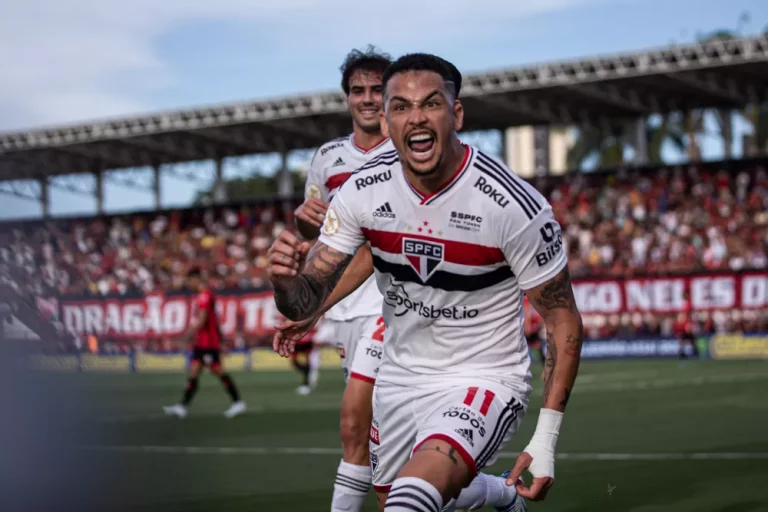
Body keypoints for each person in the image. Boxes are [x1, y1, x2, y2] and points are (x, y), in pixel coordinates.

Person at [268, 53, 583, 512]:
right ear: (386, 121)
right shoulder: (362, 191)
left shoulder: (511, 205)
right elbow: (303, 299)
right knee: (397, 496)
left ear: (456, 114)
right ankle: (501, 495)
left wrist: (546, 438)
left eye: (430, 104)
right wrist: (284, 284)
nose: (415, 117)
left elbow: (561, 318)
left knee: (410, 500)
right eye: (400, 107)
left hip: (483, 377)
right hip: (399, 376)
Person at [290, 45, 394, 512]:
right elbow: (317, 233)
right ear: (347, 97)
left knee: (356, 427)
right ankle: (498, 492)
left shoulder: (405, 149)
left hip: (392, 303)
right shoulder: (328, 157)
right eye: (358, 90)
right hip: (344, 307)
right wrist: (302, 224)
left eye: (376, 89)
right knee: (378, 447)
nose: (367, 98)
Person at [163, 268, 246, 419]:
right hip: (202, 343)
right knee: (193, 373)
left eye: (190, 281)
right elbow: (215, 321)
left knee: (219, 372)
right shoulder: (205, 296)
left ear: (196, 279)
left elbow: (202, 320)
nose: (189, 285)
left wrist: (185, 337)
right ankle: (182, 407)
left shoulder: (204, 296)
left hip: (208, 344)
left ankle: (238, 403)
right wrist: (221, 339)